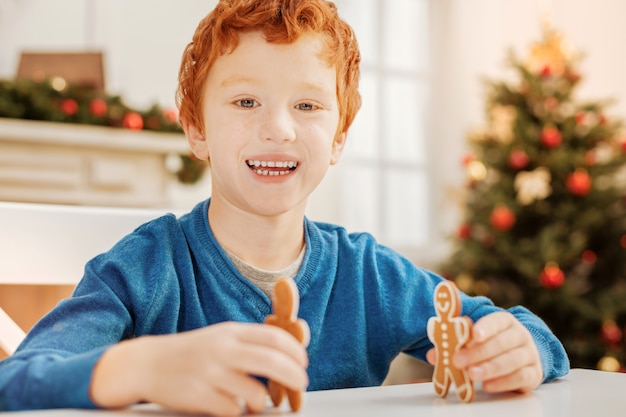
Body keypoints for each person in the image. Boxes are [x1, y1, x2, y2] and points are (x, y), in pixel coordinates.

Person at [0, 0, 569, 415]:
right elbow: (16, 379)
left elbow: (518, 332)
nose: (277, 128)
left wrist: (524, 349)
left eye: (307, 104)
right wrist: (141, 367)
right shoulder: (142, 270)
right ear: (195, 126)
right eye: (246, 101)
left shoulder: (369, 275)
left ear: (340, 135)